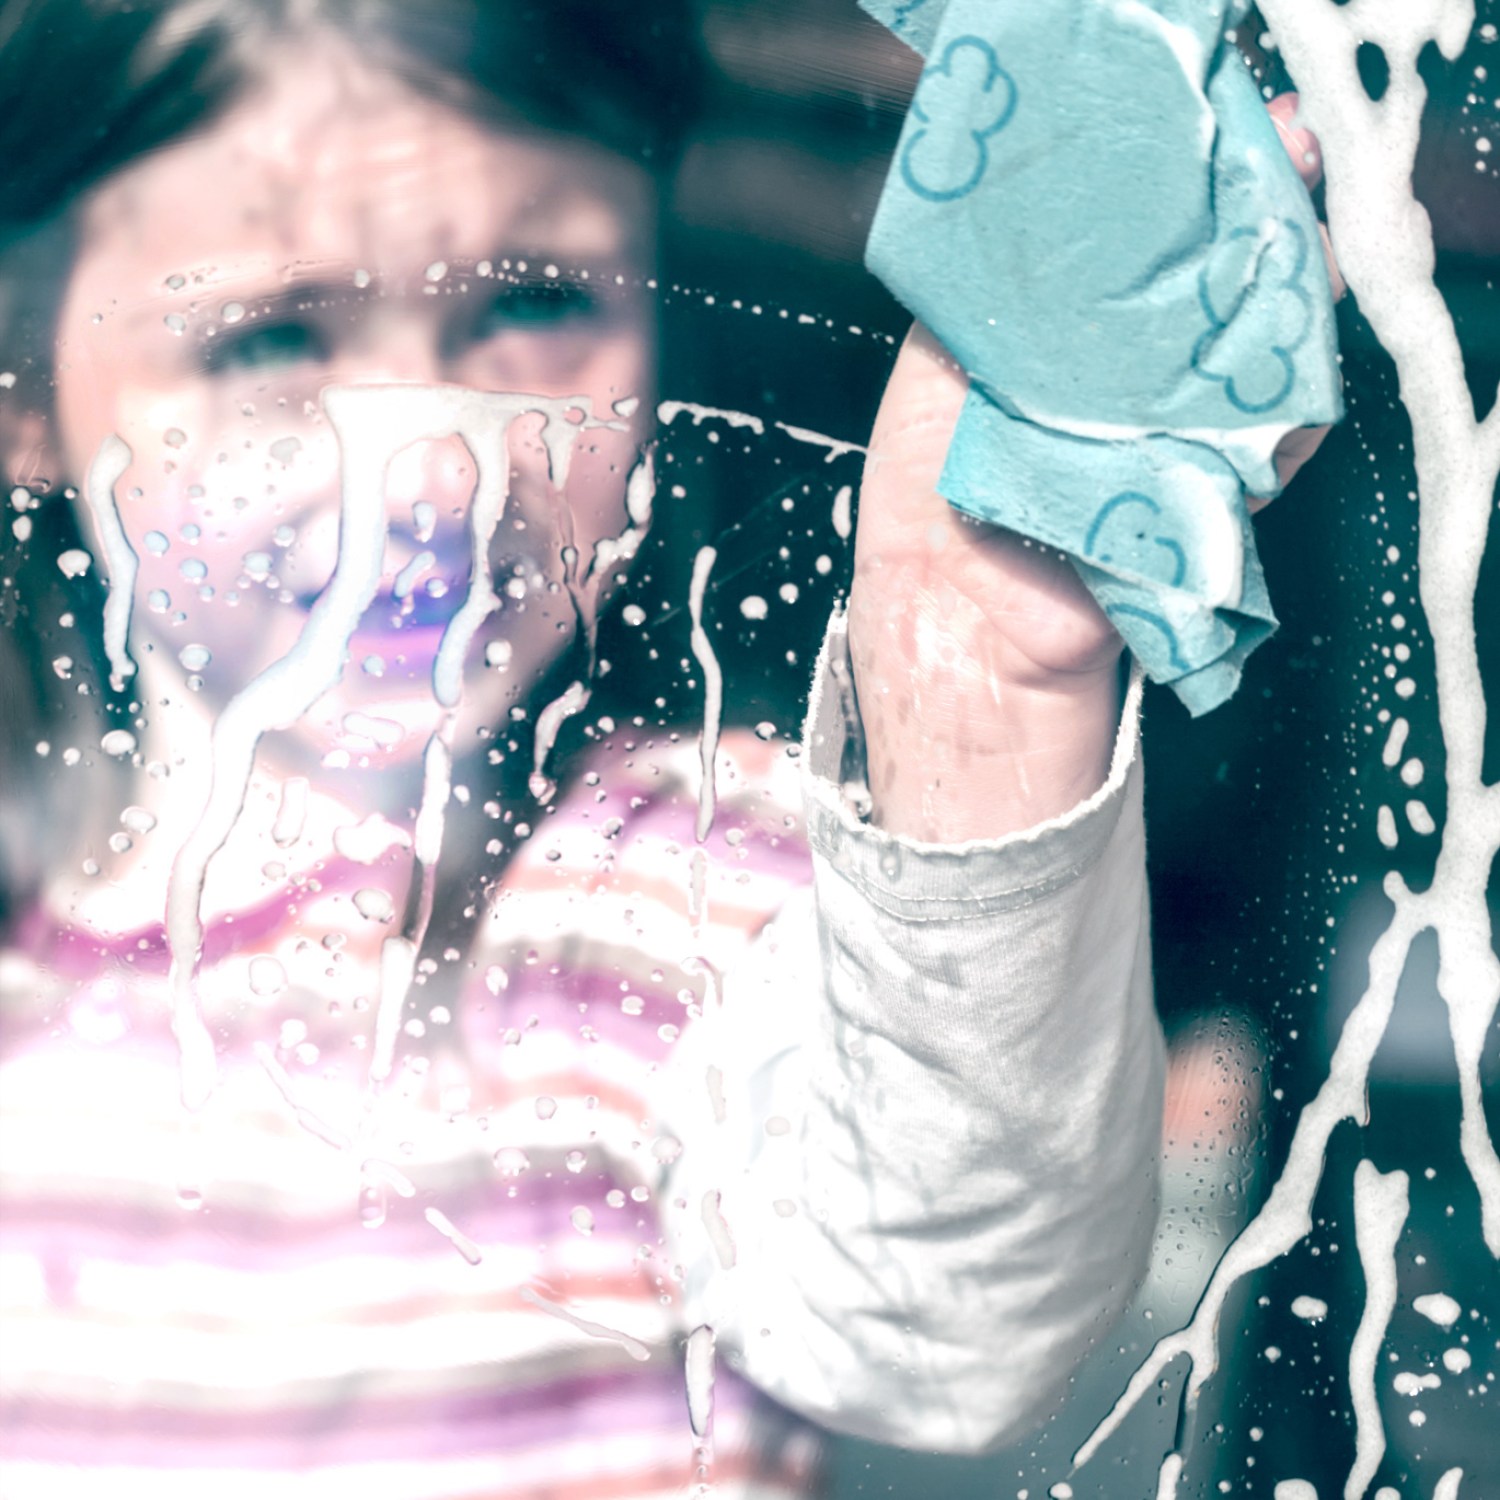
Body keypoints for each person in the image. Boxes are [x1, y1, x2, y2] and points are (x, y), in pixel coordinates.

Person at [0, 0, 1338, 1493]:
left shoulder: (660, 894)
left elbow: (939, 1327)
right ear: (20, 386)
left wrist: (980, 690)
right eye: (271, 336)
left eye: (532, 306)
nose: (435, 465)